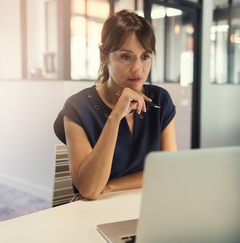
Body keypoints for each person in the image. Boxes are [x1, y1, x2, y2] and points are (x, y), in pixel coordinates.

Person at [54, 10, 177, 200]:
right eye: (126, 57)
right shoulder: (77, 108)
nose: (138, 68)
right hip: (91, 216)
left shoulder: (159, 101)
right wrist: (115, 117)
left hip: (144, 207)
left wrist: (110, 187)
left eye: (145, 57)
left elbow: (168, 171)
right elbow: (90, 189)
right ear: (104, 57)